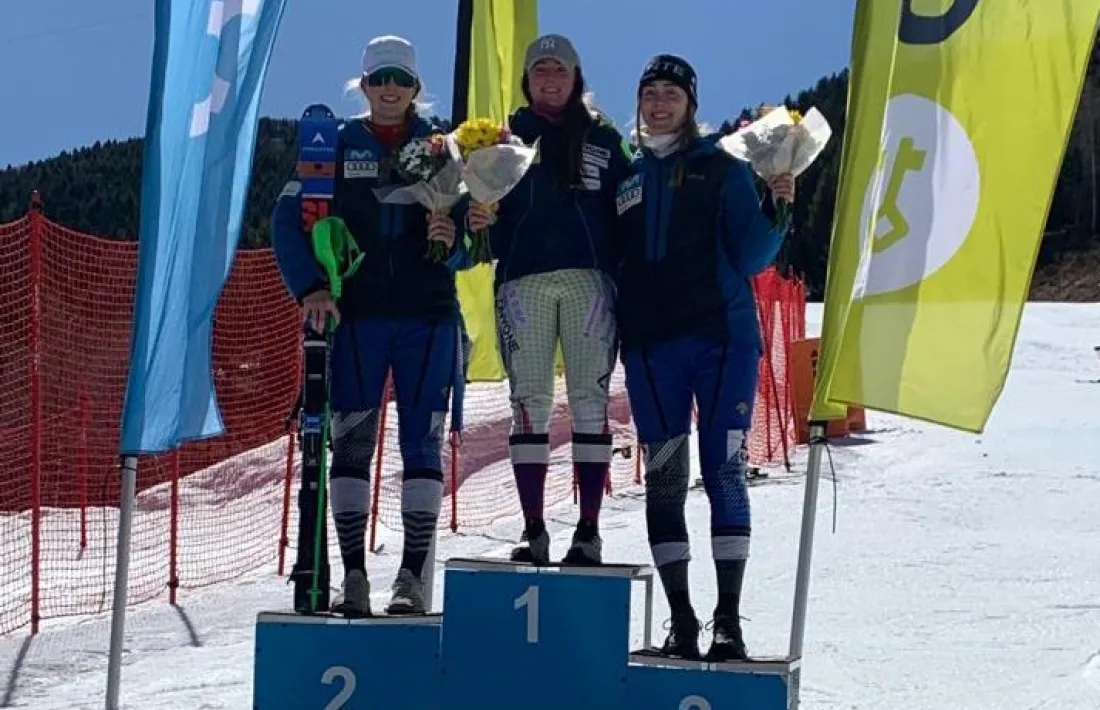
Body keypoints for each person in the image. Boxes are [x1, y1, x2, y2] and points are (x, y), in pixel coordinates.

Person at [271, 35, 471, 616]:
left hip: (428, 317)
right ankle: (354, 575)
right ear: (362, 86)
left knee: (421, 443)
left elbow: (473, 238)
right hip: (356, 319)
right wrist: (309, 285)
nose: (389, 89)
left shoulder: (442, 147)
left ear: (415, 87)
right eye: (379, 78)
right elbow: (286, 220)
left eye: (399, 80)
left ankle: (411, 576)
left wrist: (455, 242)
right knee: (353, 444)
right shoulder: (332, 143)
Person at [613, 54, 795, 661]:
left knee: (723, 472)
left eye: (672, 93)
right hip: (650, 350)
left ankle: (728, 623)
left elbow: (752, 255)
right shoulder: (625, 173)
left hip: (721, 341)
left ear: (691, 104)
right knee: (665, 480)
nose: (659, 103)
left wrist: (779, 206)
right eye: (650, 92)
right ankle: (683, 622)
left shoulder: (722, 162)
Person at [467, 34, 632, 566]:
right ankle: (533, 528)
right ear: (526, 81)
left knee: (589, 401)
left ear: (577, 78)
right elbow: (481, 221)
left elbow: (632, 206)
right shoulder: (502, 139)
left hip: (590, 282)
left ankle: (589, 530)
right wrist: (478, 222)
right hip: (523, 281)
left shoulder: (605, 136)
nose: (550, 78)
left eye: (560, 70)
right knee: (529, 404)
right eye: (540, 70)